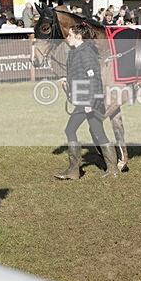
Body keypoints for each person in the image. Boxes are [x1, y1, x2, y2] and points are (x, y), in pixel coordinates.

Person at [55, 22, 118, 180]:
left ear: (78, 36)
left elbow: (94, 79)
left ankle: (74, 170)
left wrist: (90, 102)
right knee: (99, 132)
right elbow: (81, 75)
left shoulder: (85, 53)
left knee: (70, 130)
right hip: (86, 98)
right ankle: (113, 170)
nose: (68, 38)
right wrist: (67, 80)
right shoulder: (76, 52)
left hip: (87, 100)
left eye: (70, 35)